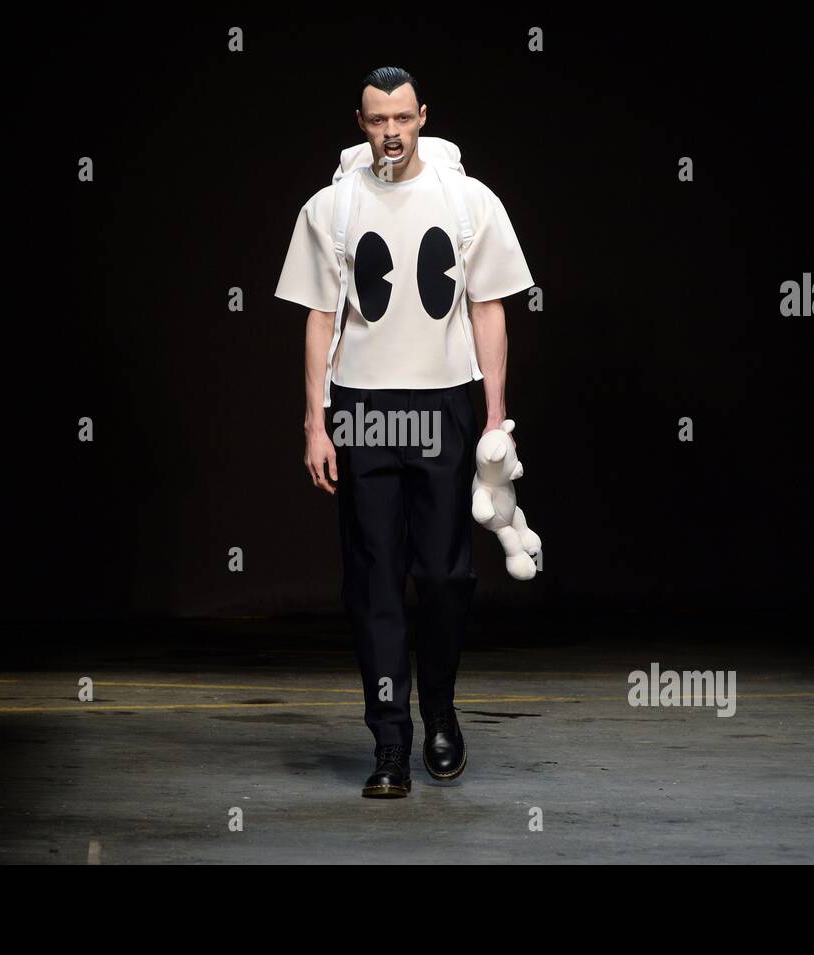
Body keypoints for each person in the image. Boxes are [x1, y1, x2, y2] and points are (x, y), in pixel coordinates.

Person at [275, 66, 535, 798]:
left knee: (448, 573)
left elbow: (488, 308)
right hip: (362, 406)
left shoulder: (467, 199)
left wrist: (494, 416)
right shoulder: (333, 207)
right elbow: (320, 318)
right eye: (376, 119)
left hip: (446, 404)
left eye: (402, 117)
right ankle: (390, 740)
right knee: (375, 576)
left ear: (423, 116)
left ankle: (441, 708)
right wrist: (315, 422)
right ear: (359, 124)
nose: (390, 131)